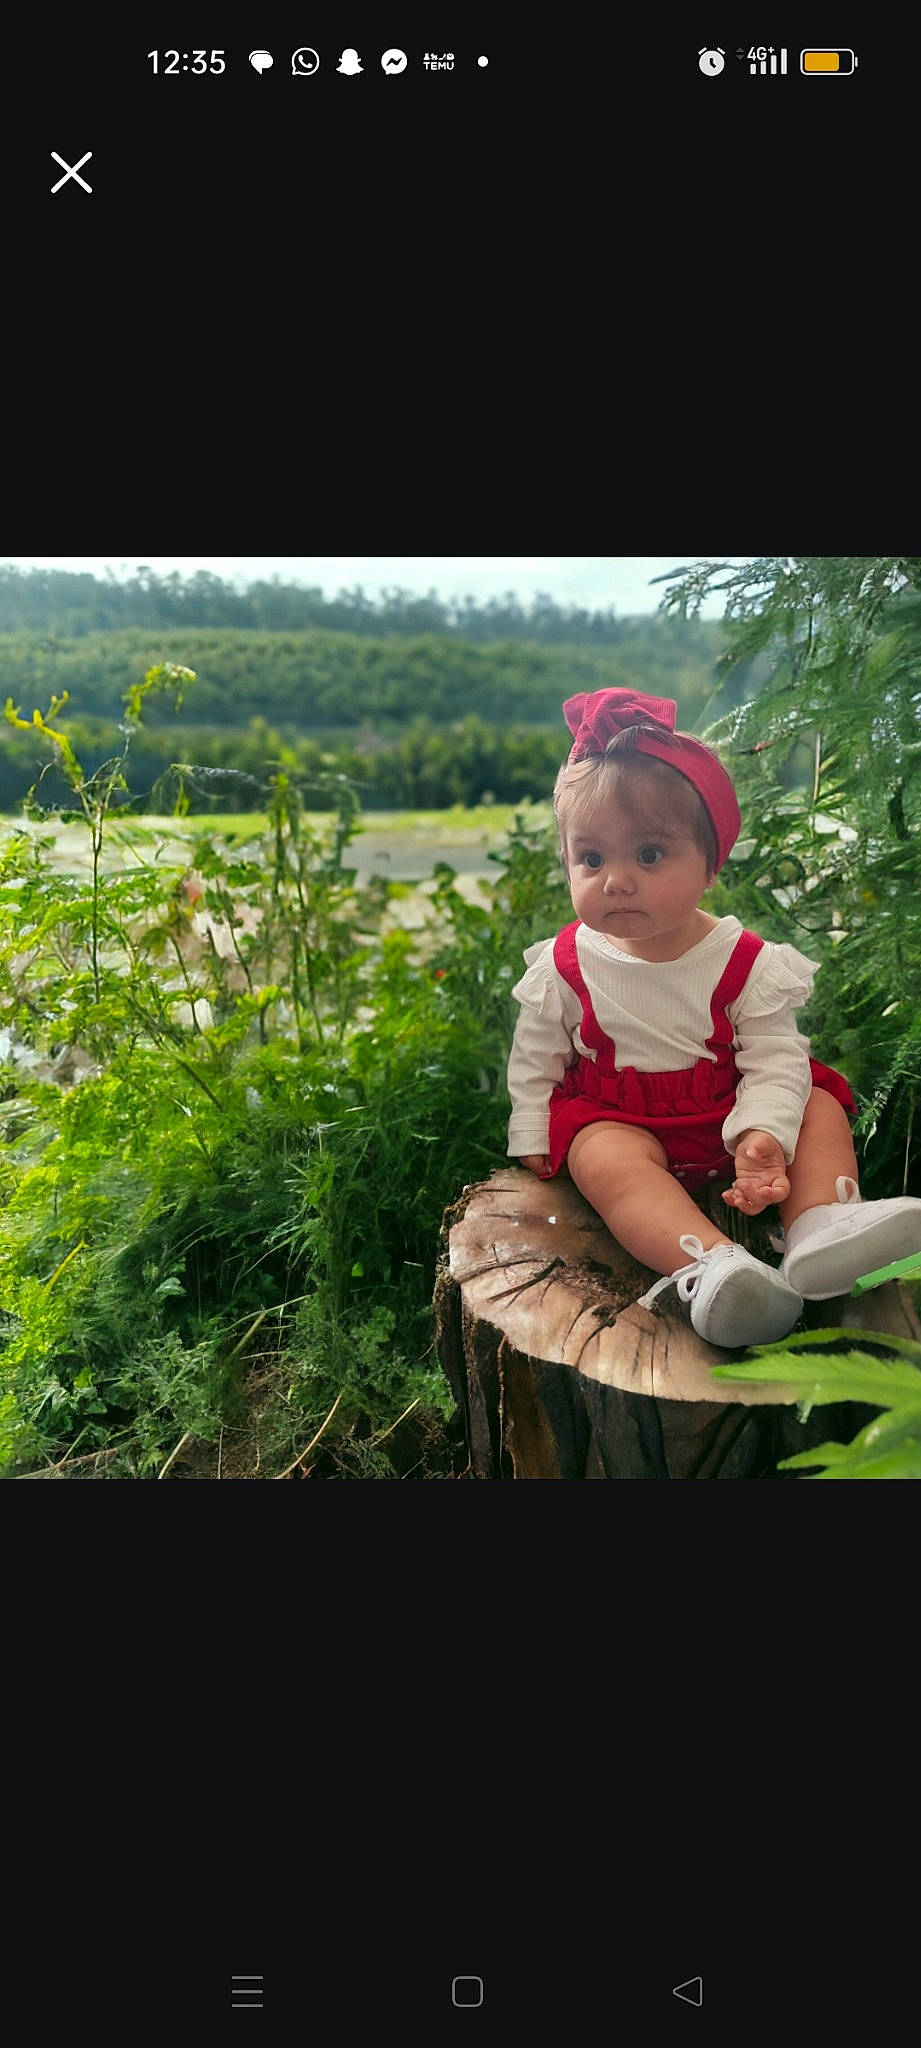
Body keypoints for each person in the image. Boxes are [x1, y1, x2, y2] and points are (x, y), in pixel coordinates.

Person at [506, 687, 921, 1348]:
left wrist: (764, 1130)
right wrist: (529, 1124)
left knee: (815, 1104)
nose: (614, 879)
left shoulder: (746, 962)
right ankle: (710, 1266)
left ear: (709, 865)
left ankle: (820, 1226)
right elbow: (536, 1053)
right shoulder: (565, 963)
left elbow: (773, 1057)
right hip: (627, 1119)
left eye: (647, 855)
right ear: (566, 861)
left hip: (735, 1113)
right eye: (590, 858)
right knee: (600, 1154)